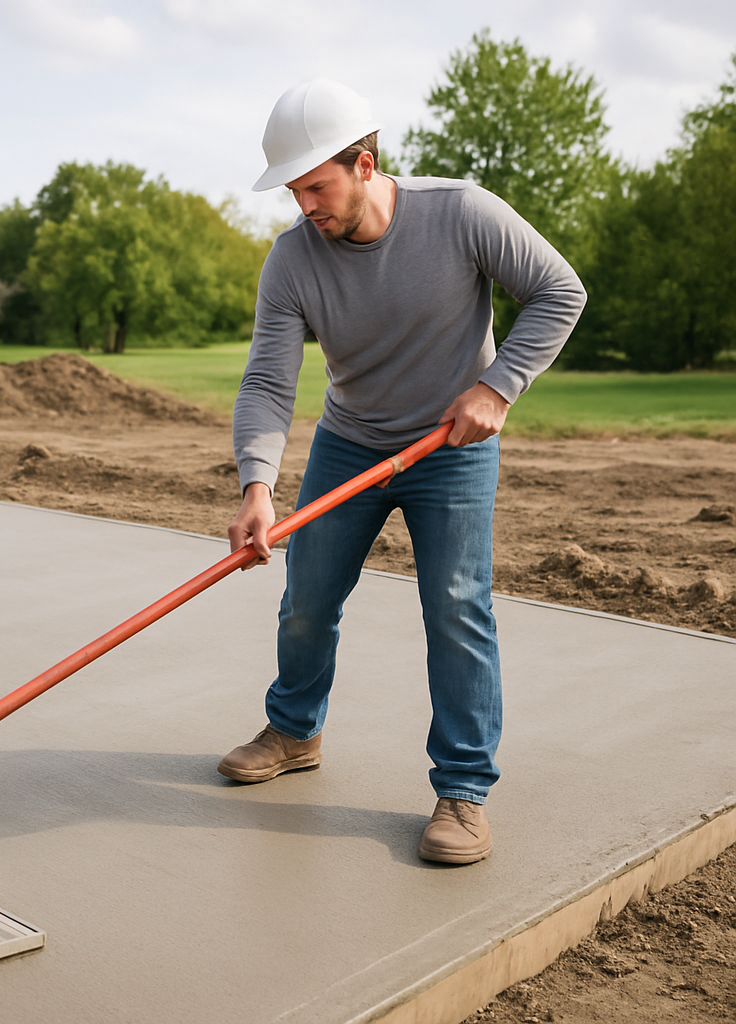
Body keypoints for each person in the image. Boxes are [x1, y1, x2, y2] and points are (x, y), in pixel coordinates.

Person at [218, 79, 587, 865]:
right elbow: (267, 382)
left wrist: (498, 386)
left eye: (317, 186)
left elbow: (560, 290)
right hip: (350, 443)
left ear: (365, 162)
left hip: (450, 450)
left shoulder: (462, 213)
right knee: (306, 601)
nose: (305, 206)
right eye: (294, 191)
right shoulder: (291, 261)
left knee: (456, 608)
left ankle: (463, 790)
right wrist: (258, 483)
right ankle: (294, 730)